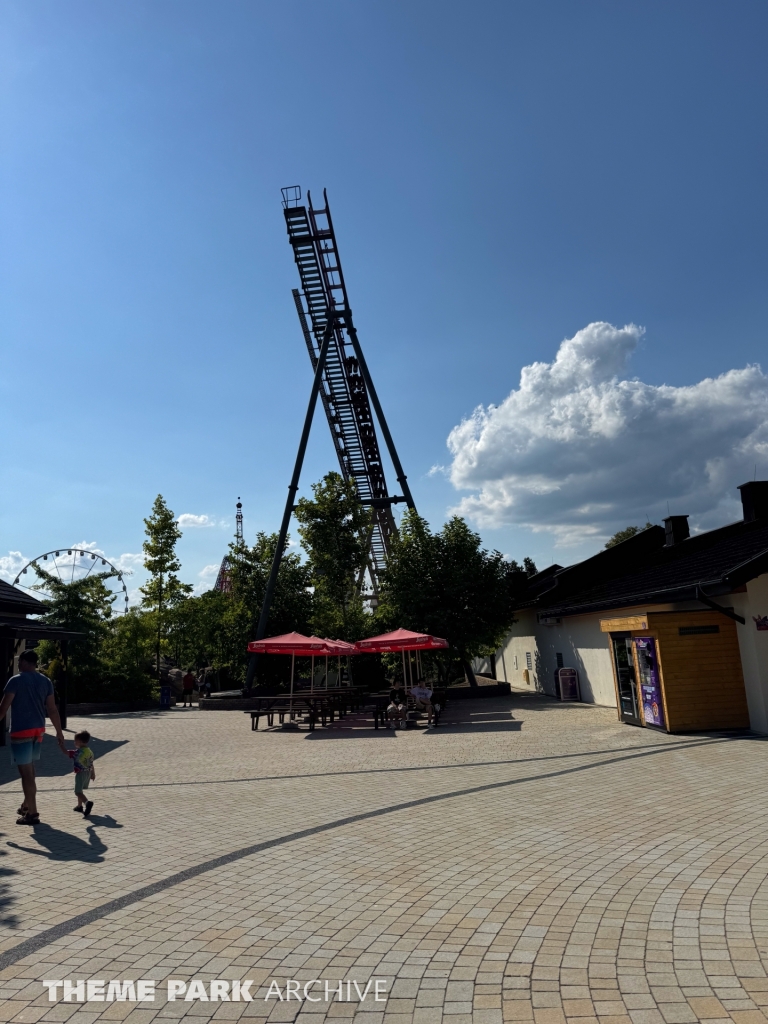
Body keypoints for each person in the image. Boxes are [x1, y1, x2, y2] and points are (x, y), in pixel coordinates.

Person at [0, 649, 67, 825]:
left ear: (23, 662)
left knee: (26, 774)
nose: (18, 664)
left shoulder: (15, 681)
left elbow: (3, 707)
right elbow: (52, 709)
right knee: (30, 770)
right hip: (38, 731)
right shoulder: (46, 681)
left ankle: (32, 813)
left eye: (19, 661)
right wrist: (59, 732)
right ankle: (26, 804)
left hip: (21, 730)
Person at [67, 730, 96, 816]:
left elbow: (67, 752)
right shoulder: (89, 751)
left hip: (80, 773)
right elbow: (91, 762)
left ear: (80, 741)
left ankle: (87, 803)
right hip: (88, 772)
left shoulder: (79, 752)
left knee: (77, 792)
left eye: (75, 740)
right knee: (80, 789)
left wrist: (61, 746)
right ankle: (79, 806)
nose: (74, 742)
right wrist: (93, 773)